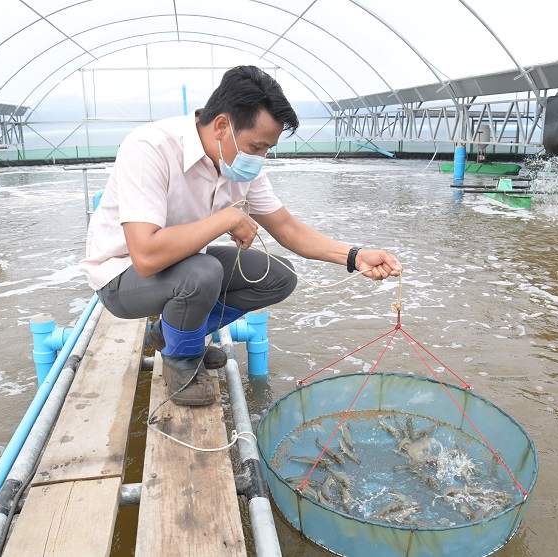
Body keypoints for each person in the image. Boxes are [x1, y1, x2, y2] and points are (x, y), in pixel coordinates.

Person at [80, 65, 402, 406]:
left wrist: (355, 256)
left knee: (277, 276)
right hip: (121, 276)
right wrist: (228, 218)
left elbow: (288, 229)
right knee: (204, 274)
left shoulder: (241, 164)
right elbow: (145, 257)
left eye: (267, 150)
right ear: (222, 126)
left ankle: (172, 336)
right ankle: (182, 363)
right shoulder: (151, 148)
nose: (259, 158)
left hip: (183, 266)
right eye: (257, 146)